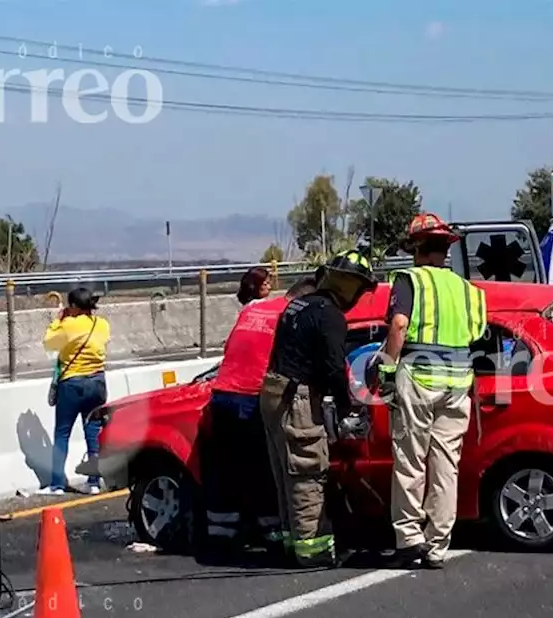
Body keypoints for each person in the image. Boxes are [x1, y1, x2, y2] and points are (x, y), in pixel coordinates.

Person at [375, 213, 487, 570]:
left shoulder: (410, 281)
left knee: (411, 460)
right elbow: (476, 334)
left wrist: (388, 369)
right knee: (445, 465)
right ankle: (438, 545)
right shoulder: (467, 289)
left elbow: (399, 324)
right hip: (457, 383)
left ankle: (409, 539)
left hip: (420, 379)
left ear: (418, 248)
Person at [260, 252, 376, 568]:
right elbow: (333, 369)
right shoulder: (330, 316)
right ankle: (313, 551)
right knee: (307, 471)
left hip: (273, 392)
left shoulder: (299, 304)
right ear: (350, 287)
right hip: (295, 396)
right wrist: (346, 409)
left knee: (285, 472)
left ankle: (291, 541)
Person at [200, 276, 316, 557]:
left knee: (226, 467)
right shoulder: (292, 317)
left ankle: (221, 534)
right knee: (264, 465)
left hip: (223, 393)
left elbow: (230, 349)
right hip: (253, 396)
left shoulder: (252, 309)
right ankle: (272, 532)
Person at [42, 288, 111, 495]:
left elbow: (48, 342)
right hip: (97, 382)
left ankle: (56, 484)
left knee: (62, 432)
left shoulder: (68, 325)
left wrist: (58, 319)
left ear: (73, 306)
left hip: (72, 383)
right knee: (93, 431)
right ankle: (94, 482)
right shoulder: (102, 324)